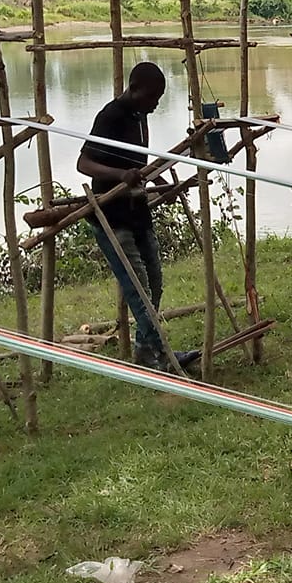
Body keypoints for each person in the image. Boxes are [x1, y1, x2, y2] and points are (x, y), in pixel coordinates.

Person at [77, 62, 199, 372]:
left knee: (155, 283)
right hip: (113, 217)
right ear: (134, 89)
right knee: (139, 289)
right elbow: (84, 163)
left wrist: (158, 181)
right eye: (152, 98)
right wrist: (121, 175)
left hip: (138, 212)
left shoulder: (139, 116)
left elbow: (137, 164)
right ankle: (163, 357)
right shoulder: (110, 116)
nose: (155, 105)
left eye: (159, 98)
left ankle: (147, 352)